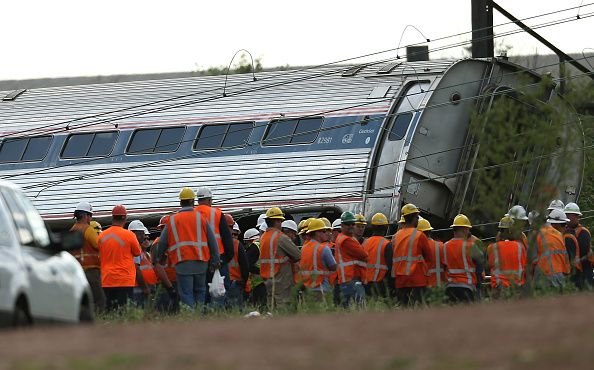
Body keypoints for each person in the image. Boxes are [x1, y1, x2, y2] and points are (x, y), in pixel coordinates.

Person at [153, 188, 220, 309]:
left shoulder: (172, 220)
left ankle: (190, 320)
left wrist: (160, 258)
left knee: (186, 293)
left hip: (182, 263)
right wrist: (215, 260)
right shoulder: (201, 218)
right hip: (201, 262)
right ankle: (199, 318)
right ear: (193, 202)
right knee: (200, 291)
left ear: (180, 203)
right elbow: (213, 241)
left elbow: (162, 242)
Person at [194, 186, 234, 309]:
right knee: (219, 289)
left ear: (198, 200)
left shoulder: (192, 214)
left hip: (198, 258)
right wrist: (228, 256)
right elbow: (227, 237)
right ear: (210, 200)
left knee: (202, 289)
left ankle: (203, 314)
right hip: (218, 258)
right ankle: (215, 312)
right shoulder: (217, 213)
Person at [99, 205, 142, 311]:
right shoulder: (129, 235)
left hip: (107, 280)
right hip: (125, 280)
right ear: (125, 220)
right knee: (124, 311)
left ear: (112, 219)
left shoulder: (101, 236)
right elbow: (137, 253)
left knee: (110, 311)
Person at [259, 207, 302, 309]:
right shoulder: (280, 237)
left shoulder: (263, 237)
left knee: (272, 308)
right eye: (281, 221)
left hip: (268, 280)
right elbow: (297, 255)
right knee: (284, 309)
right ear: (277, 222)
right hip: (281, 280)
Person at [392, 204, 432, 307]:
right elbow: (429, 257)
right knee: (418, 310)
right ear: (413, 218)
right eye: (417, 217)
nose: (418, 219)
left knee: (403, 310)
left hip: (400, 280)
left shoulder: (395, 237)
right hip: (417, 280)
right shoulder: (420, 235)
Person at [69, 202, 105, 314]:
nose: (90, 219)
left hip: (76, 273)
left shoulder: (72, 231)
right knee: (99, 300)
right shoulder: (88, 229)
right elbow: (99, 246)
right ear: (85, 216)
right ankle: (97, 323)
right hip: (91, 271)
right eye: (90, 216)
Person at [442, 214, 484, 303]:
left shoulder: (445, 246)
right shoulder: (470, 246)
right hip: (466, 287)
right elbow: (480, 259)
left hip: (450, 287)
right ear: (464, 230)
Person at [487, 217, 527, 299]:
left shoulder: (492, 248)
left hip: (499, 288)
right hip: (516, 287)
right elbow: (525, 265)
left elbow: (491, 265)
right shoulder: (520, 246)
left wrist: (497, 241)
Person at [335, 211, 368, 308]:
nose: (351, 226)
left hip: (351, 278)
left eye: (353, 224)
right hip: (350, 279)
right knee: (358, 309)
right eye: (347, 224)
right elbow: (364, 254)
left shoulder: (350, 238)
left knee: (350, 309)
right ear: (342, 225)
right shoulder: (345, 240)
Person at [532, 209, 570, 289]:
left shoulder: (536, 234)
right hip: (560, 275)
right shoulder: (560, 235)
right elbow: (565, 257)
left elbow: (532, 260)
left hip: (544, 276)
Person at [300, 219, 337, 300]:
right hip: (322, 288)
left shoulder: (304, 248)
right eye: (323, 231)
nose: (326, 233)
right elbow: (334, 267)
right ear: (317, 233)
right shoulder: (324, 249)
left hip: (308, 289)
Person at [151, 215, 179, 313]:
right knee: (165, 313)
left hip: (175, 283)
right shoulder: (158, 244)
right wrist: (170, 286)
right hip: (164, 285)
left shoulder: (174, 243)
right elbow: (158, 267)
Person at [364, 213, 393, 298]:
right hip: (380, 284)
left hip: (366, 283)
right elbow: (391, 267)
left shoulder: (365, 243)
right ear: (385, 227)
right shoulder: (387, 244)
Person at [564, 202, 593, 289]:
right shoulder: (565, 231)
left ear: (577, 217)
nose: (567, 217)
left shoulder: (583, 232)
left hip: (584, 269)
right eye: (566, 214)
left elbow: (583, 250)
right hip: (573, 269)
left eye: (569, 214)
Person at [225, 214, 249, 311]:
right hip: (234, 283)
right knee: (235, 312)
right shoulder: (236, 244)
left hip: (219, 283)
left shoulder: (215, 242)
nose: (233, 236)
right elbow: (245, 266)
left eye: (236, 234)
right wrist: (244, 282)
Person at [128, 221, 154, 307]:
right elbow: (136, 269)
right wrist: (144, 288)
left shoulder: (144, 253)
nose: (144, 238)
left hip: (145, 286)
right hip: (138, 288)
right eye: (140, 234)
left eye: (146, 236)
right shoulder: (135, 250)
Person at [417, 218, 445, 289]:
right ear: (430, 232)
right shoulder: (441, 245)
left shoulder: (418, 247)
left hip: (425, 286)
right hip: (441, 286)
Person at [243, 228, 266, 308]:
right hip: (266, 281)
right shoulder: (263, 244)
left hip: (258, 284)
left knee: (259, 306)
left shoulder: (254, 247)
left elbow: (247, 264)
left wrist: (260, 272)